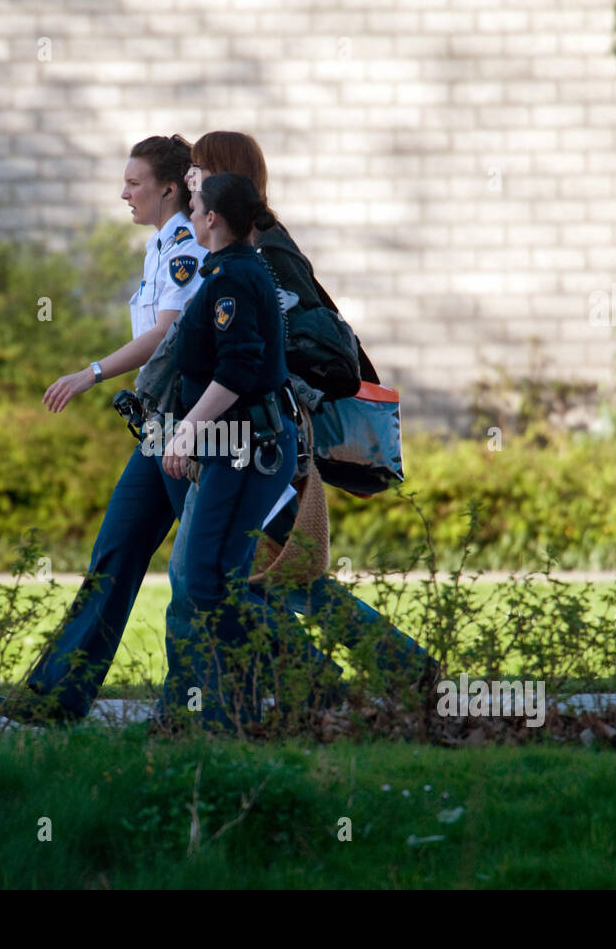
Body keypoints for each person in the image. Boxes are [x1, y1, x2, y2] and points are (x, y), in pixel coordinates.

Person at [169, 132, 437, 714]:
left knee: (212, 579)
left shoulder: (265, 255)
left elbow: (282, 352)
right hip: (254, 436)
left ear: (223, 178)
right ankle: (401, 675)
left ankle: (310, 694)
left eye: (197, 170)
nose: (189, 180)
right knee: (279, 578)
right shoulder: (250, 245)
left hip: (262, 440)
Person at [0, 135, 207, 725]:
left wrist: (92, 373)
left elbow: (166, 333)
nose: (124, 192)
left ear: (168, 188)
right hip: (158, 428)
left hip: (185, 425)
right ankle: (55, 697)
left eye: (135, 182)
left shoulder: (184, 245)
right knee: (115, 552)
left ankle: (308, 683)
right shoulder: (159, 247)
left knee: (215, 567)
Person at [154, 172, 300, 732]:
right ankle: (236, 712)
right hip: (232, 448)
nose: (189, 209)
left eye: (194, 203)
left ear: (212, 218)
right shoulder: (228, 271)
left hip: (246, 450)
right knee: (213, 579)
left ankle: (279, 695)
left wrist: (187, 431)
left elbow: (239, 369)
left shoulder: (234, 278)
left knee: (208, 578)